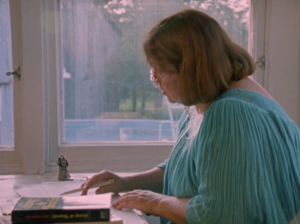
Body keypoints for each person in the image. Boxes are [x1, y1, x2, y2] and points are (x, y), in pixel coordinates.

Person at [81, 9, 300, 224]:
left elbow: (218, 214)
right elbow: (184, 169)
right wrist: (125, 182)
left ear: (192, 68)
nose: (155, 79)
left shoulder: (230, 113)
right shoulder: (202, 106)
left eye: (161, 69)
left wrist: (156, 203)